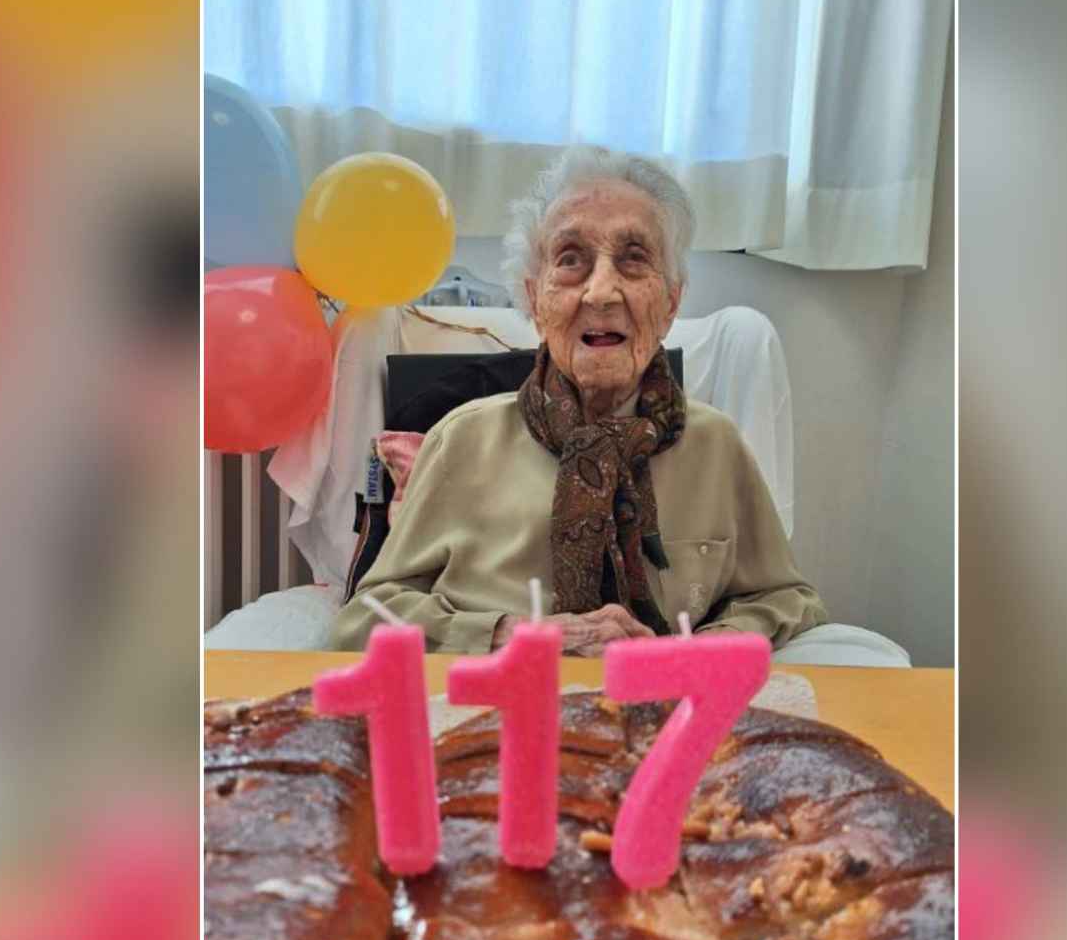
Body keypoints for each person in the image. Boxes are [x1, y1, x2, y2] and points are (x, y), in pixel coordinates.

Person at [330, 145, 827, 656]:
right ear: (535, 300)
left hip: (662, 714)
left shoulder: (715, 446)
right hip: (497, 710)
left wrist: (703, 647)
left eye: (634, 260)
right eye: (571, 260)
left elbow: (787, 598)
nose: (602, 292)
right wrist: (510, 636)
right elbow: (366, 618)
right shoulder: (462, 438)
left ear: (672, 301)